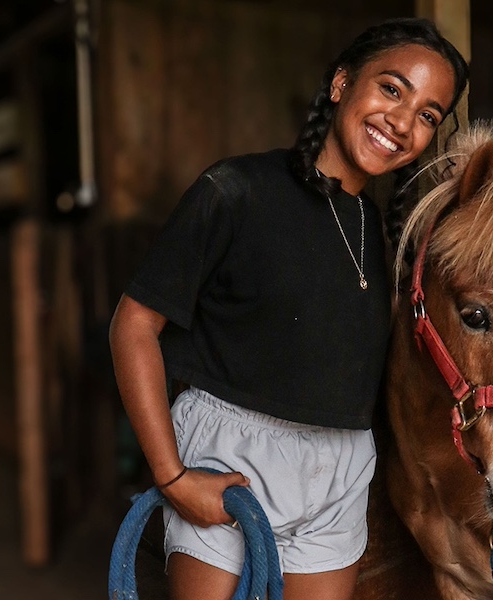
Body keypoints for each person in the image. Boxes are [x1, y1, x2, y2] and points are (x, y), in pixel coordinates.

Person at [108, 17, 469, 600]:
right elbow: (133, 324)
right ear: (341, 84)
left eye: (428, 114)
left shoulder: (381, 232)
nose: (402, 122)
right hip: (230, 454)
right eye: (391, 89)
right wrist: (170, 475)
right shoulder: (236, 190)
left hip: (340, 466)